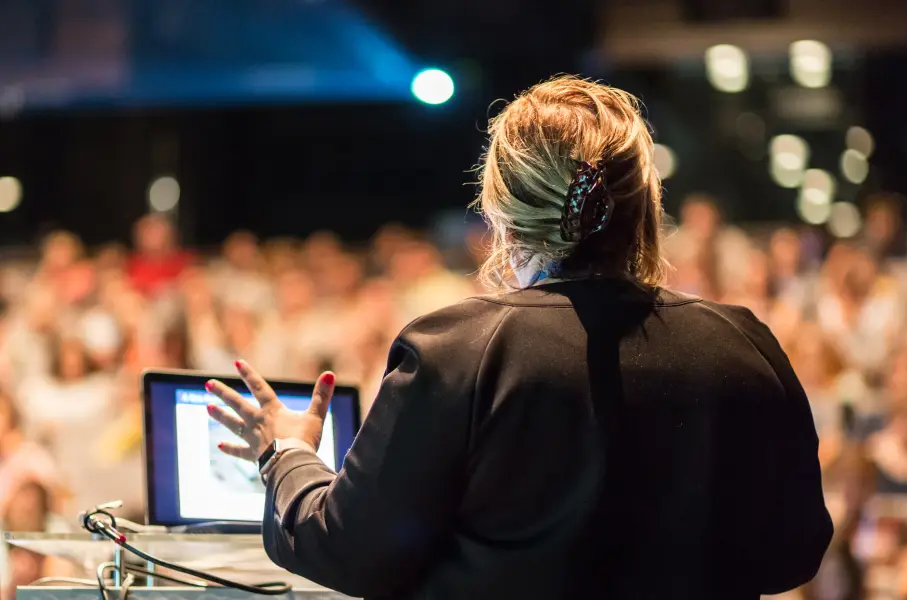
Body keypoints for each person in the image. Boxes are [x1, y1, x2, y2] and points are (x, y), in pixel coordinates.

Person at [203, 75, 832, 599]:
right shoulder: (744, 345)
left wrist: (285, 453)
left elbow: (347, 551)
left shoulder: (456, 352)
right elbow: (795, 554)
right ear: (645, 206)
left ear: (500, 215)